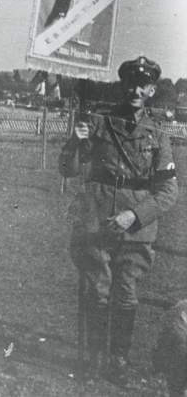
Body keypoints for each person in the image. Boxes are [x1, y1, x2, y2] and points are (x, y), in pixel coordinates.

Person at [60, 56, 178, 382]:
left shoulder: (158, 135)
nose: (135, 90)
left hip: (135, 231)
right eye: (130, 84)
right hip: (96, 222)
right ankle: (93, 358)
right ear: (121, 86)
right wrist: (76, 140)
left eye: (143, 85)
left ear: (152, 90)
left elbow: (168, 193)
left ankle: (118, 361)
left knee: (125, 294)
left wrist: (134, 215)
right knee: (96, 291)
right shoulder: (98, 123)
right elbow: (68, 169)